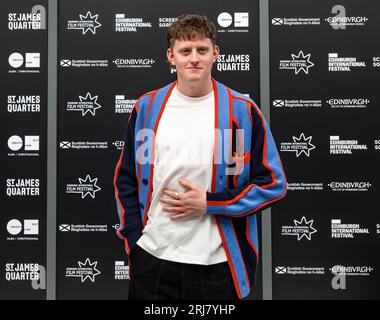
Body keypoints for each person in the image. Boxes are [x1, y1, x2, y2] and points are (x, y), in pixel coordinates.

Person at [114, 14, 287, 300]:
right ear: (171, 57)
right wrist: (135, 239)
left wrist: (210, 203)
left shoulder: (241, 111)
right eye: (185, 51)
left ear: (215, 54)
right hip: (154, 258)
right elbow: (126, 179)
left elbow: (273, 184)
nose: (194, 59)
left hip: (218, 265)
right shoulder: (147, 107)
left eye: (202, 50)